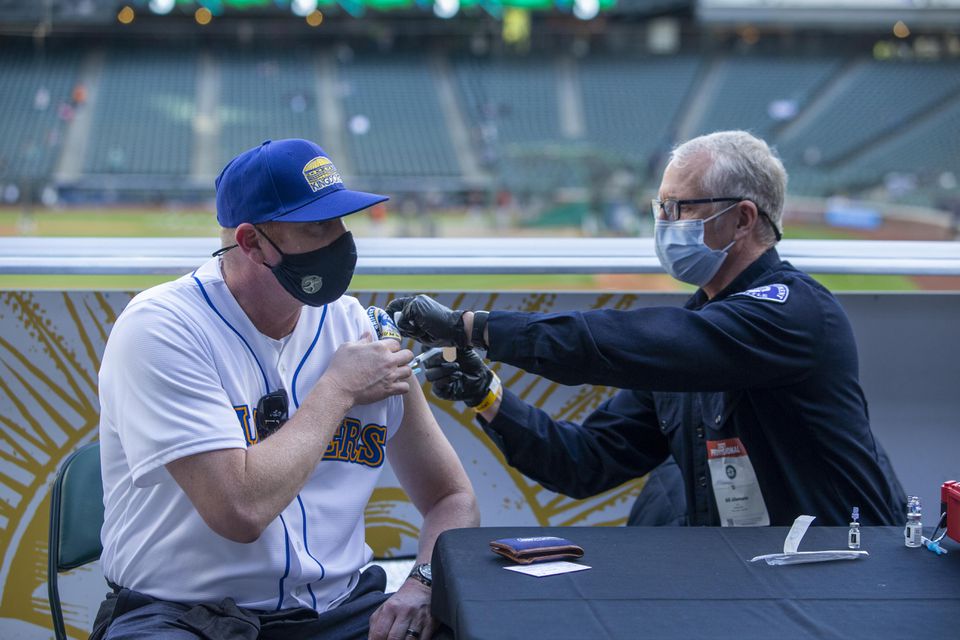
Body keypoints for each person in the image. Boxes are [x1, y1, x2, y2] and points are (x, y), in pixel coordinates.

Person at [387, 130, 906, 528]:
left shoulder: (791, 313)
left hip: (845, 566)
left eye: (679, 208)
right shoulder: (694, 328)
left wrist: (472, 327)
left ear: (744, 218)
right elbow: (584, 462)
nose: (664, 222)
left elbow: (620, 344)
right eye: (660, 207)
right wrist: (488, 396)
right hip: (746, 574)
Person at [95, 139, 478, 640]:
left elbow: (452, 496)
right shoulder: (162, 329)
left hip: (342, 609)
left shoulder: (358, 330)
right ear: (252, 242)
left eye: (342, 222)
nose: (339, 241)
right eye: (317, 226)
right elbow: (240, 511)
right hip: (183, 616)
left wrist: (422, 585)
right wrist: (338, 389)